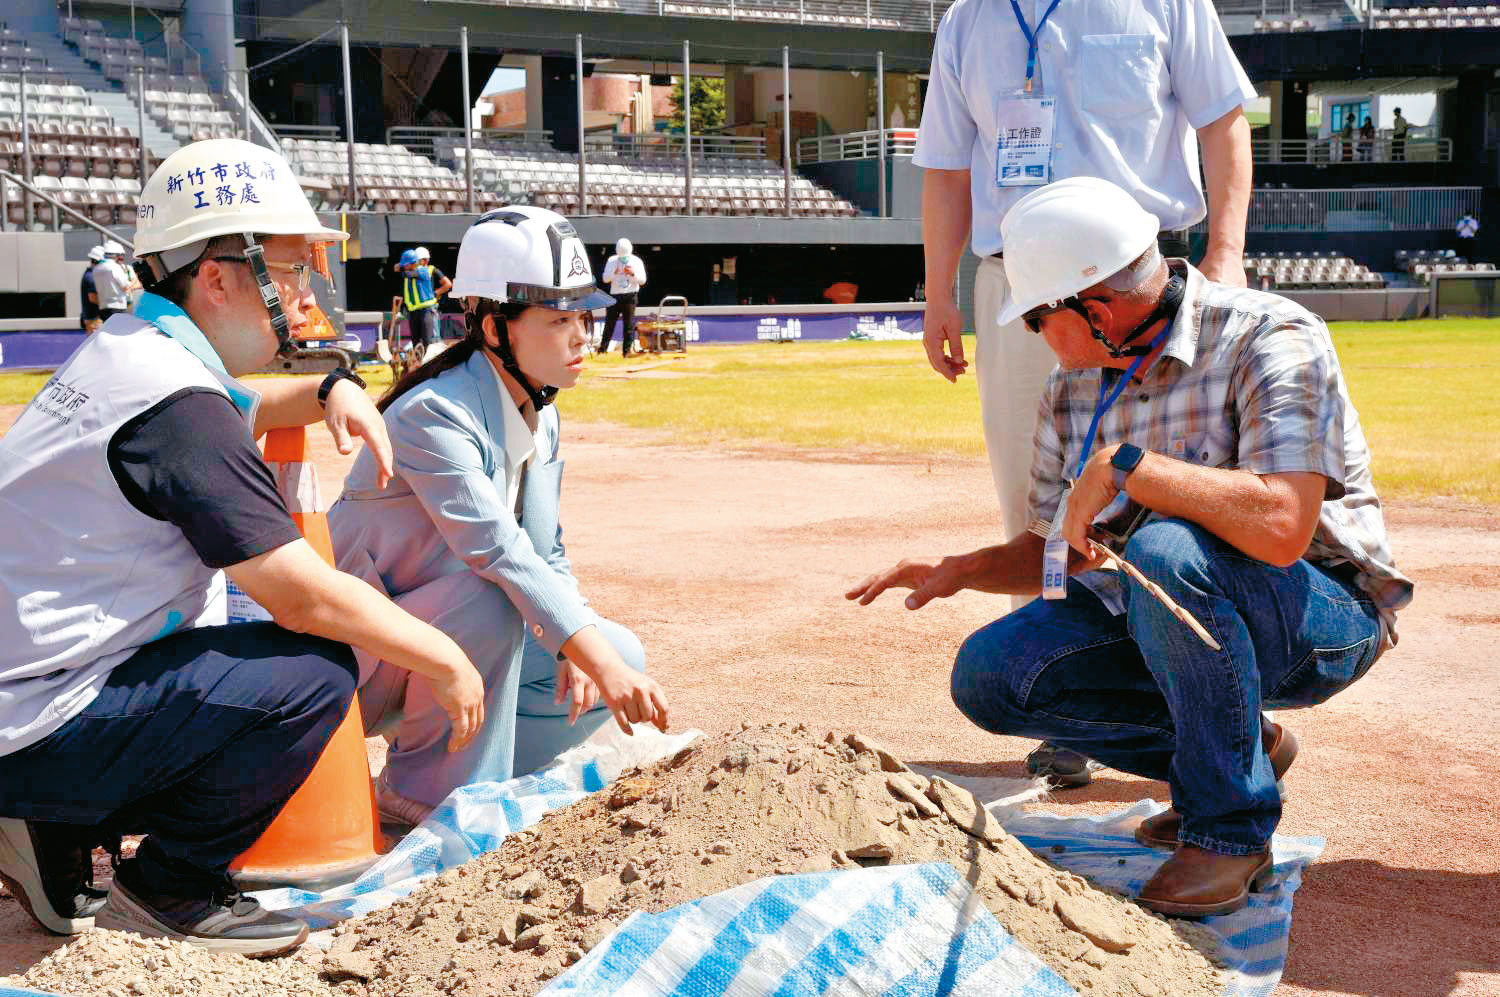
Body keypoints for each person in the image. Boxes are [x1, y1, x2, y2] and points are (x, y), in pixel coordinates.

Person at [848, 178, 1412, 917]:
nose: (1034, 338)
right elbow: (1066, 550)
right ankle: (1246, 747)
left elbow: (1283, 528)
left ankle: (1228, 829)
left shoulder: (1271, 335)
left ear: (1097, 309)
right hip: (1173, 606)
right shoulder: (1071, 387)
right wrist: (967, 569)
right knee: (992, 674)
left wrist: (1131, 469)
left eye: (1037, 320)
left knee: (1164, 548)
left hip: (1322, 612)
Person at [0, 139, 487, 957]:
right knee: (311, 672)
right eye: (289, 271)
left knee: (223, 635)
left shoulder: (134, 352)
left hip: (28, 692)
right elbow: (304, 594)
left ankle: (44, 821)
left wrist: (327, 388)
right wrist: (444, 655)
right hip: (35, 718)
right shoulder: (177, 405)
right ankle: (170, 885)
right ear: (218, 277)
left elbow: (239, 407)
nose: (303, 297)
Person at [914, 0, 1254, 786]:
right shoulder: (967, 19)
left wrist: (1227, 253)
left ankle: (1206, 709)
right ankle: (1063, 704)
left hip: (1139, 281)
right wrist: (938, 291)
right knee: (1034, 511)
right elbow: (946, 165)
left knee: (1171, 505)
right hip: (1019, 293)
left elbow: (1223, 119)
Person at [328, 206, 670, 826]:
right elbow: (501, 552)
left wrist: (585, 650)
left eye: (583, 316)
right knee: (500, 604)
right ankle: (422, 795)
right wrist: (590, 655)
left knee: (619, 650)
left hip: (439, 635)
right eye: (558, 319)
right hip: (352, 664)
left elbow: (548, 549)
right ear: (493, 327)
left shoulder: (544, 410)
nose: (580, 337)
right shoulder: (432, 412)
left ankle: (482, 777)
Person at [397, 246, 452, 358]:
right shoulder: (411, 271)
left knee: (429, 341)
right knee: (415, 342)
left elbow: (448, 284)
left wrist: (437, 293)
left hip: (427, 311)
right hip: (414, 311)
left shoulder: (424, 270)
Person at [600, 238, 647, 356]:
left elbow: (642, 281)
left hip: (630, 295)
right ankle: (602, 350)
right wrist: (614, 273)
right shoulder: (612, 260)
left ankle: (626, 352)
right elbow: (605, 279)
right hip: (615, 295)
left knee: (629, 325)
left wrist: (632, 274)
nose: (623, 259)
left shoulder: (637, 261)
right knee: (609, 324)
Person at [92, 241, 140, 321]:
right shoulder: (115, 267)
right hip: (117, 307)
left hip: (103, 307)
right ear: (117, 255)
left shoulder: (96, 268)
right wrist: (136, 279)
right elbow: (125, 287)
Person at [79, 245, 104, 333]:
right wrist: (107, 306)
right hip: (94, 319)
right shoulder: (91, 277)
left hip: (92, 318)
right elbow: (93, 298)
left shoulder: (90, 274)